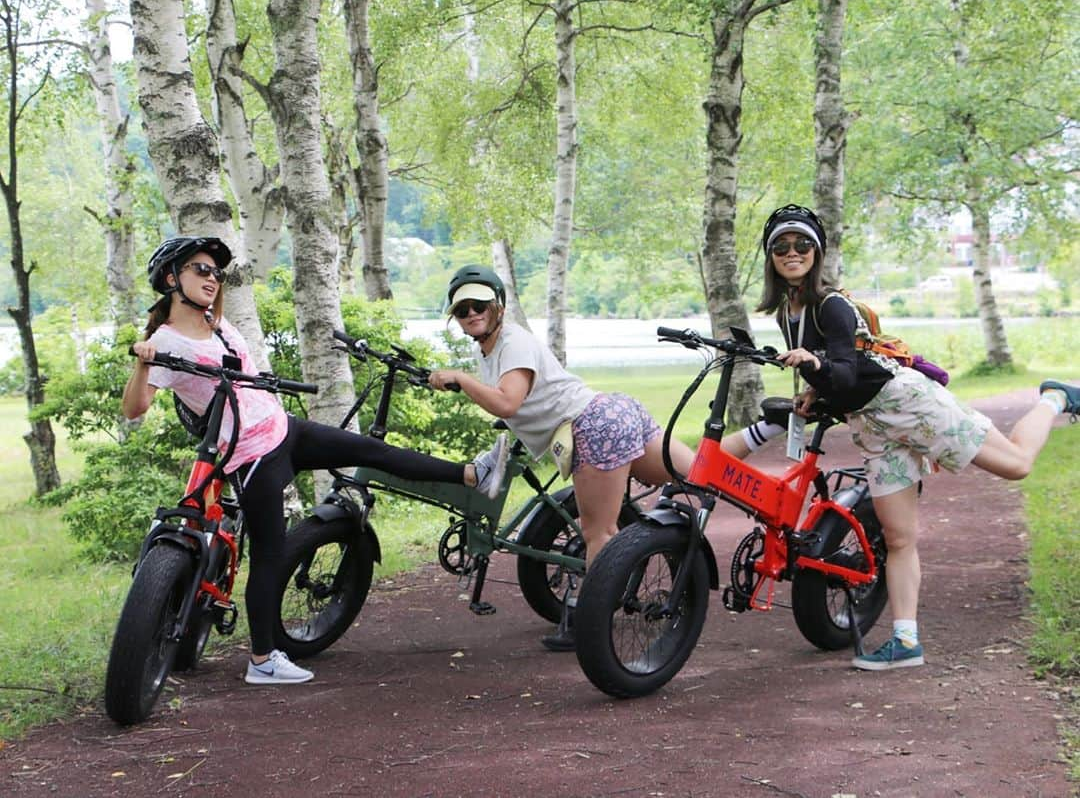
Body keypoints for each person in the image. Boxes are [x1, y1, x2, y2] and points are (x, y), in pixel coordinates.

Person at [122, 237, 508, 685]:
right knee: (269, 555)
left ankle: (471, 475)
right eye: (200, 270)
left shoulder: (220, 325)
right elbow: (135, 408)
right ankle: (263, 660)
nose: (212, 278)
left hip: (285, 430)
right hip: (251, 455)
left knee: (371, 451)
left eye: (216, 272)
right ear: (172, 278)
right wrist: (143, 363)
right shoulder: (166, 342)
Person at [752, 204, 1079, 670]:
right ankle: (906, 642)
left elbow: (843, 370)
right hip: (871, 424)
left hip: (906, 403)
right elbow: (839, 378)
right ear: (769, 256)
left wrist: (816, 366)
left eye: (803, 244)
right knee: (899, 535)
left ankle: (1056, 400)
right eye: (781, 246)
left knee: (1016, 465)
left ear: (818, 252)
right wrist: (812, 390)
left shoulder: (831, 305)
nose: (792, 252)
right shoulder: (789, 310)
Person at [428, 266, 697, 651]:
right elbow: (521, 404)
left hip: (593, 424)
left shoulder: (513, 342)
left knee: (598, 533)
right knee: (703, 472)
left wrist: (462, 380)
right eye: (462, 309)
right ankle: (765, 430)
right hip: (609, 411)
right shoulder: (488, 348)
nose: (472, 313)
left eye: (480, 304)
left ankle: (591, 623)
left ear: (499, 306)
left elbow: (507, 402)